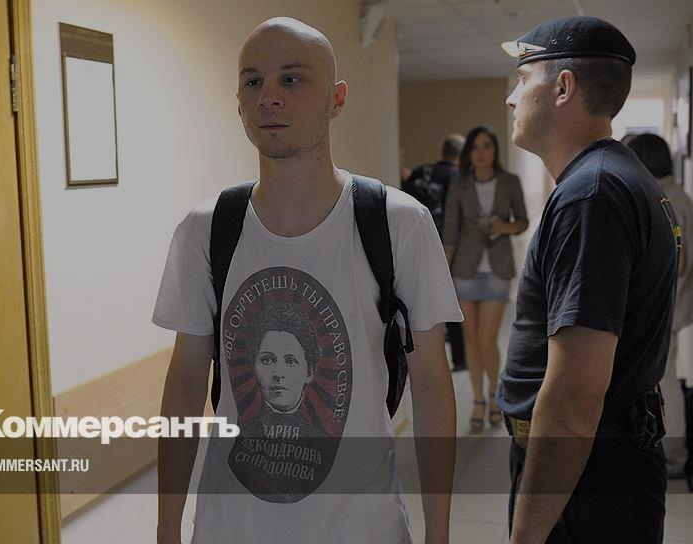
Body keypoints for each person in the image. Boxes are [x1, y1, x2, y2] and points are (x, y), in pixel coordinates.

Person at [153, 17, 461, 544]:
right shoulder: (206, 229)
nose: (269, 96)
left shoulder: (398, 223)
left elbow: (431, 381)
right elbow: (185, 382)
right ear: (239, 102)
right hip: (232, 526)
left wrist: (439, 533)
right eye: (253, 81)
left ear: (337, 99)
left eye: (291, 79)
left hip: (362, 527)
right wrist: (166, 526)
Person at [498, 16, 678, 543]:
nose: (512, 97)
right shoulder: (616, 177)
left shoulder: (591, 196)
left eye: (523, 79)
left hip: (587, 478)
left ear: (563, 87)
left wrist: (526, 536)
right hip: (602, 465)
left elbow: (574, 399)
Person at [443, 126, 528, 433]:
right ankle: (478, 399)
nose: (481, 152)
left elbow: (522, 221)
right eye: (476, 147)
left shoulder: (510, 181)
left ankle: (495, 393)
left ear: (495, 150)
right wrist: (442, 274)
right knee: (470, 339)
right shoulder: (459, 184)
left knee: (486, 339)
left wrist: (504, 227)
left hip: (497, 269)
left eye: (487, 146)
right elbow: (450, 230)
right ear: (468, 153)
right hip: (465, 269)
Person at [625, 133, 693, 481]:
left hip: (666, 306)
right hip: (672, 305)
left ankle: (674, 455)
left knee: (664, 380)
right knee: (662, 378)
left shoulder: (667, 199)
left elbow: (676, 262)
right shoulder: (676, 194)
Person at [402, 133, 468, 372]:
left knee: (418, 302)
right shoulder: (458, 178)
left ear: (443, 151)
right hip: (447, 246)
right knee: (451, 301)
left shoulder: (422, 172)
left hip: (417, 242)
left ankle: (416, 359)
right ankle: (460, 359)